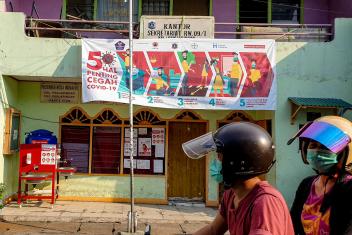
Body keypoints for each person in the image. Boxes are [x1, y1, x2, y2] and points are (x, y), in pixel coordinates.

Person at [182, 122, 294, 235]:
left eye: (220, 155)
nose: (216, 161)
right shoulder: (231, 194)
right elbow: (213, 230)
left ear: (238, 162)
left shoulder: (265, 203)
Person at [287, 116, 352, 235]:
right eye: (313, 146)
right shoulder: (306, 185)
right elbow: (293, 225)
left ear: (344, 154)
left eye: (325, 147)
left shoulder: (349, 188)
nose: (316, 151)